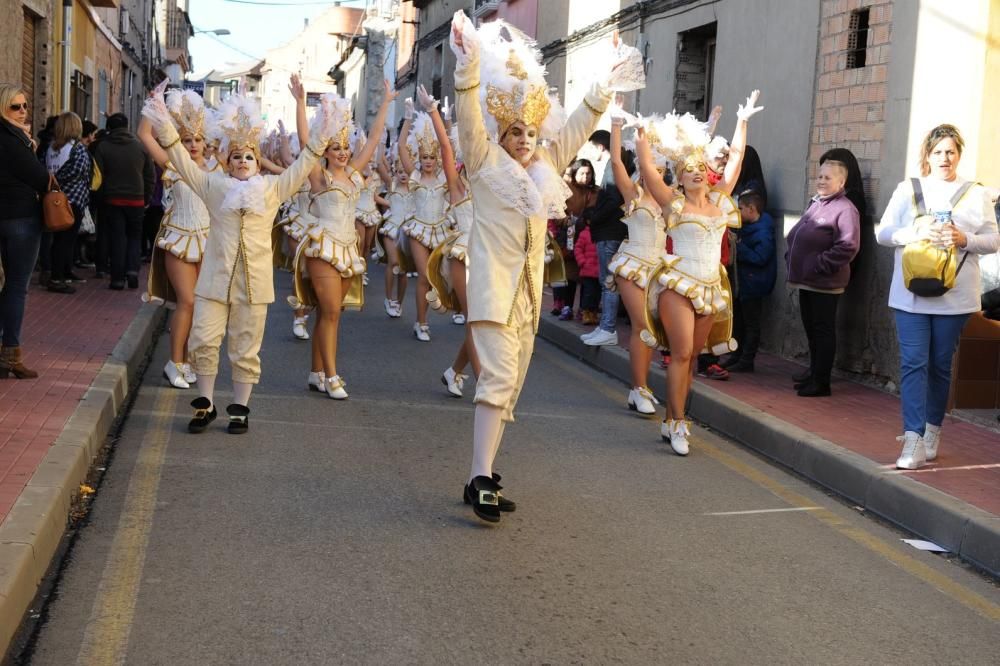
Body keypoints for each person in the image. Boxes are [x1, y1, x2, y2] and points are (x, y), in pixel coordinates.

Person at [450, 10, 641, 522]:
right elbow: (469, 121)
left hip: (528, 295)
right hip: (491, 288)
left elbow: (580, 123)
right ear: (499, 133)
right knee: (498, 378)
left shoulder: (546, 168)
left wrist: (605, 77)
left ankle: (479, 474)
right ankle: (481, 478)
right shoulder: (484, 162)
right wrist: (467, 67)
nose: (523, 140)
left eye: (530, 132)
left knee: (509, 386)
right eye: (513, 132)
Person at [141, 79, 338, 433]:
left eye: (249, 156)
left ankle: (240, 407)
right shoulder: (212, 186)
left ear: (256, 161)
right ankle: (205, 404)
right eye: (237, 157)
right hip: (214, 279)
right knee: (203, 339)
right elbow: (181, 159)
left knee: (246, 347)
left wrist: (322, 124)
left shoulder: (273, 189)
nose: (244, 161)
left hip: (255, 283)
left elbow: (306, 161)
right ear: (228, 162)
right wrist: (159, 112)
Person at [637, 93, 763, 455]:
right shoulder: (672, 203)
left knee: (692, 357)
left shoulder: (722, 201)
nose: (694, 171)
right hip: (678, 285)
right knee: (680, 354)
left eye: (698, 166)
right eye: (686, 167)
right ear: (679, 176)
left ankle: (672, 415)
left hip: (710, 287)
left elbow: (736, 161)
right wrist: (642, 137)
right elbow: (647, 170)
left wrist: (742, 122)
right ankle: (678, 422)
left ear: (707, 173)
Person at [875, 124, 999, 469]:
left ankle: (932, 430)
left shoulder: (975, 193)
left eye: (951, 151)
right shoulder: (908, 189)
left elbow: (993, 240)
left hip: (955, 295)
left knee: (940, 365)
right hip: (910, 294)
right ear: (927, 155)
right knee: (913, 362)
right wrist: (914, 231)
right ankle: (912, 438)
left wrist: (964, 239)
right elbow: (882, 233)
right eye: (938, 151)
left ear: (959, 153)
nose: (945, 158)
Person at [289, 76, 395, 399]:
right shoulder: (318, 176)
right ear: (326, 151)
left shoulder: (353, 174)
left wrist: (386, 103)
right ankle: (333, 376)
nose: (344, 153)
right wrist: (300, 102)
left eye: (346, 147)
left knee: (329, 313)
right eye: (336, 148)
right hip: (323, 248)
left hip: (349, 249)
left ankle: (316, 372)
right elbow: (307, 142)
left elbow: (374, 140)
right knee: (331, 311)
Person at [137, 87, 216, 390]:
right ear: (177, 142)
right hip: (179, 240)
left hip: (208, 243)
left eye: (197, 139)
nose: (193, 145)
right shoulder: (172, 165)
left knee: (203, 305)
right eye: (186, 140)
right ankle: (174, 363)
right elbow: (145, 135)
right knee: (188, 300)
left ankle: (191, 361)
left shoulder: (216, 169)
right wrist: (155, 105)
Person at [414, 85, 481, 397]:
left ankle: (454, 371)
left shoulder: (493, 187)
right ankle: (485, 386)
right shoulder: (456, 186)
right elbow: (445, 145)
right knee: (475, 322)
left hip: (490, 257)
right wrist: (432, 112)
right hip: (462, 255)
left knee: (481, 323)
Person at [604, 108, 670, 415]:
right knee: (642, 326)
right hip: (631, 265)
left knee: (653, 330)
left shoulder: (673, 198)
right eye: (648, 164)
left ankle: (638, 388)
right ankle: (641, 389)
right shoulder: (632, 194)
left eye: (658, 165)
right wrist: (616, 123)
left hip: (659, 269)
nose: (652, 169)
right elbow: (617, 160)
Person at [785, 157, 861, 397]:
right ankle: (813, 372)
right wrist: (792, 256)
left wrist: (819, 264)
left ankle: (821, 381)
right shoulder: (817, 203)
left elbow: (848, 246)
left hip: (825, 282)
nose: (821, 181)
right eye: (819, 176)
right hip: (807, 280)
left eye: (828, 177)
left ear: (841, 182)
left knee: (823, 330)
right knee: (811, 329)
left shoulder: (845, 208)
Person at [0, 83, 49, 379]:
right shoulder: (13, 139)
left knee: (7, 287)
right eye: (14, 107)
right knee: (18, 286)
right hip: (21, 218)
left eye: (25, 106)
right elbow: (39, 178)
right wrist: (32, 149)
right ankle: (11, 355)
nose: (22, 112)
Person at [398, 103, 452, 342]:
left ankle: (425, 316)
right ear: (418, 157)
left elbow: (447, 145)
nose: (428, 161)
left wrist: (446, 120)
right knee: (424, 276)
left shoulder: (443, 177)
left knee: (437, 277)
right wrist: (408, 119)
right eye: (424, 157)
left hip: (441, 228)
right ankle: (422, 322)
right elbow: (401, 147)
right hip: (418, 229)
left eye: (431, 157)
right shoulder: (415, 176)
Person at [92, 112, 155, 289]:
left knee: (117, 238)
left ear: (109, 128)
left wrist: (101, 199)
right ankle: (132, 271)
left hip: (112, 200)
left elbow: (98, 177)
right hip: (136, 200)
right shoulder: (140, 147)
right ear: (127, 127)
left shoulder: (103, 147)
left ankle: (118, 278)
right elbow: (150, 175)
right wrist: (146, 197)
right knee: (135, 237)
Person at [720, 190, 775, 372]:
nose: (737, 212)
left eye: (740, 209)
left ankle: (747, 359)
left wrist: (738, 247)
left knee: (751, 323)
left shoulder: (763, 231)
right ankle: (736, 354)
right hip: (742, 283)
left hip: (754, 284)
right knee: (738, 321)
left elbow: (760, 257)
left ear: (752, 209)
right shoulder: (746, 227)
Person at [44, 112, 91, 294]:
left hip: (54, 198)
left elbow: (45, 170)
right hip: (73, 199)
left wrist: (54, 181)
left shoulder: (51, 148)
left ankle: (63, 272)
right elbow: (80, 171)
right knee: (66, 240)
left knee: (59, 239)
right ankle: (57, 278)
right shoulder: (77, 148)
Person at [375, 148, 411, 318]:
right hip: (391, 227)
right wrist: (380, 140)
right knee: (394, 262)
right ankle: (388, 298)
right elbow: (379, 164)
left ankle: (398, 302)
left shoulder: (416, 188)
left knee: (403, 268)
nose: (403, 175)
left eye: (406, 172)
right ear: (395, 173)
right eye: (400, 171)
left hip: (408, 231)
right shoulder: (392, 184)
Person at [574, 217, 601, 325]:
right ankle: (586, 313)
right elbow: (578, 248)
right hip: (588, 270)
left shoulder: (600, 233)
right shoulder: (584, 234)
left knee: (597, 294)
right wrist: (582, 262)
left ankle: (593, 313)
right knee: (588, 293)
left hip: (599, 270)